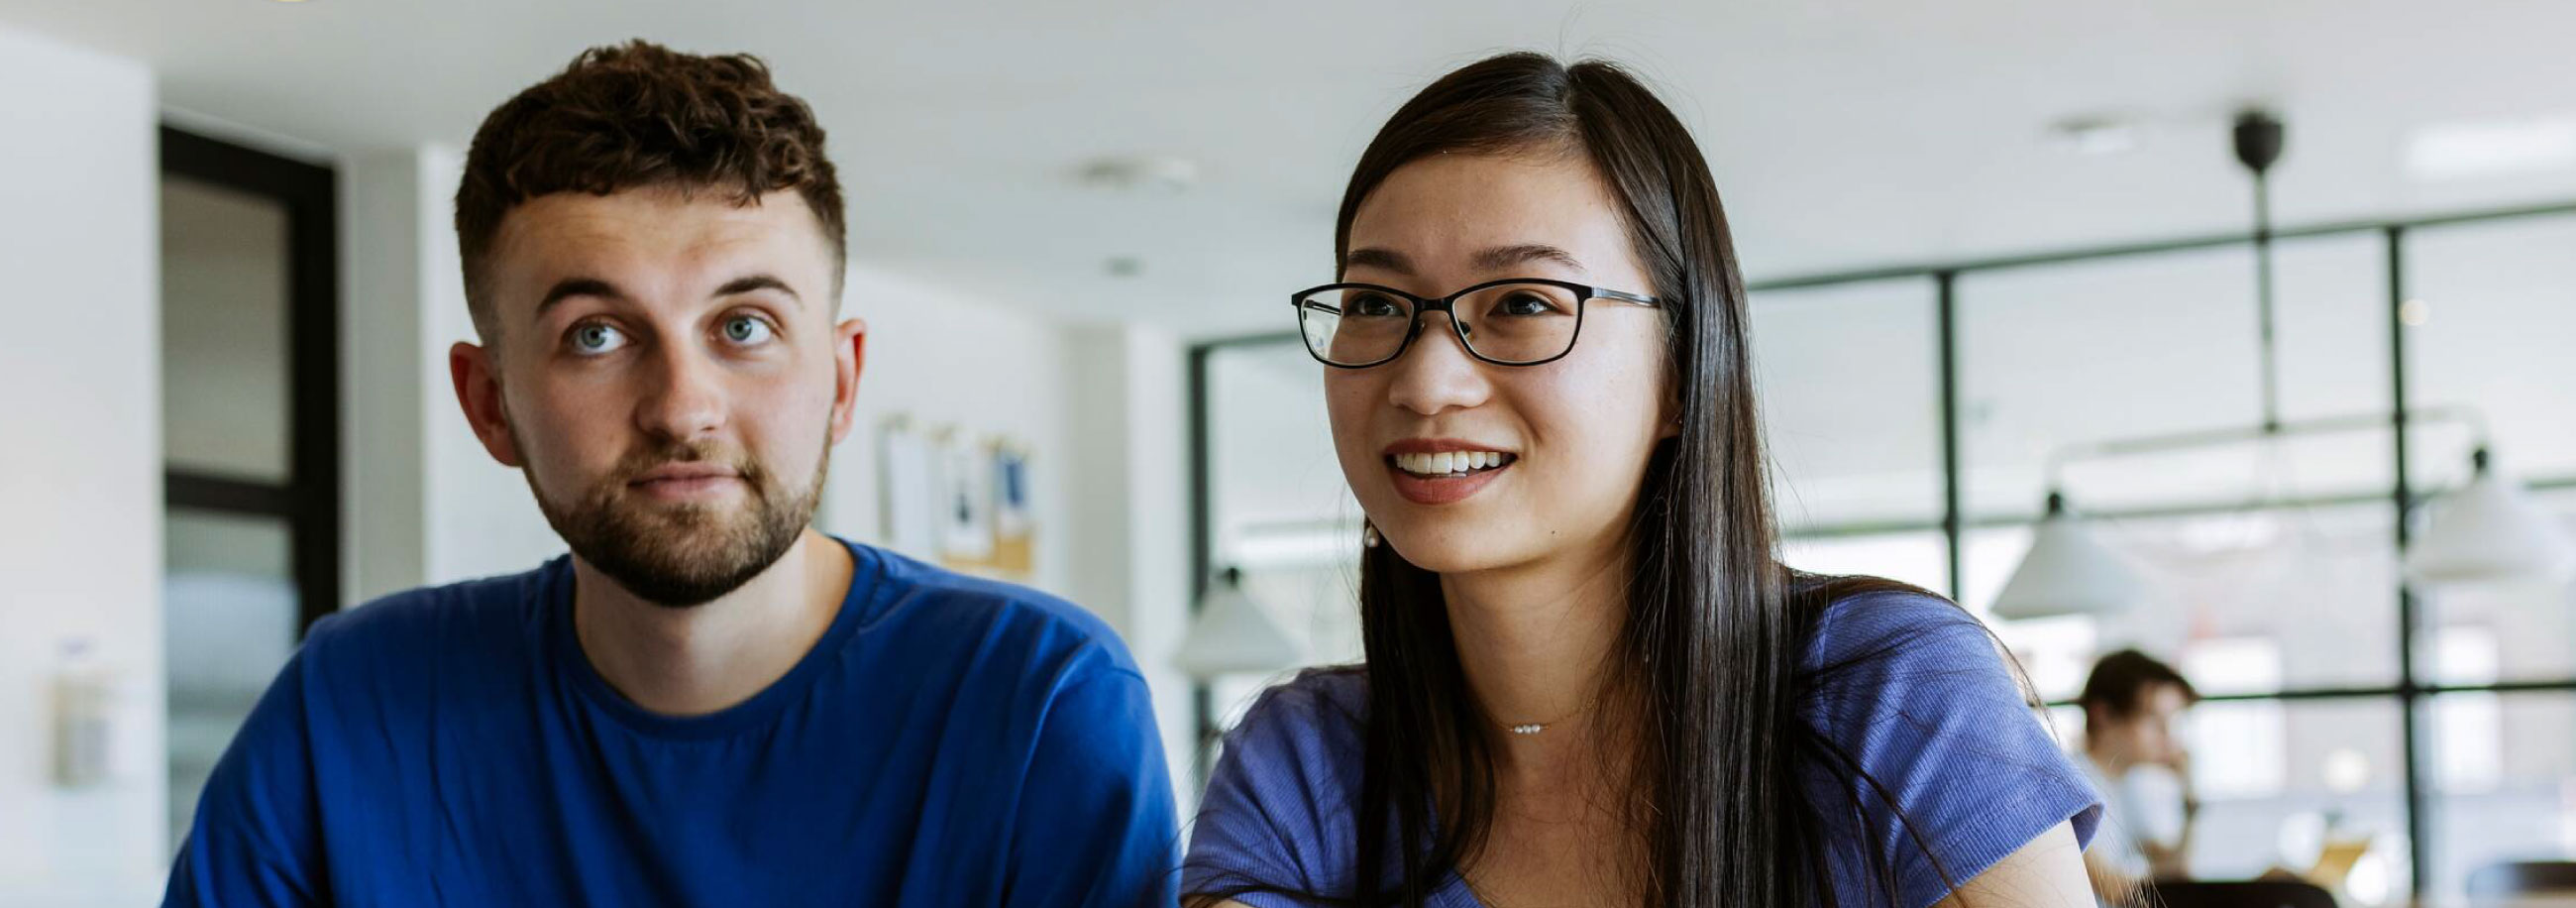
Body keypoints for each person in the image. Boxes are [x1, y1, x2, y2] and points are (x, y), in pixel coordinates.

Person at [163, 41, 1176, 907]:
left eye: (745, 326)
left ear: (840, 377)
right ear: (489, 404)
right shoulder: (349, 710)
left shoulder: (1038, 704)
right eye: (595, 334)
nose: (682, 405)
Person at [1179, 53, 2103, 908]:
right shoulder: (1305, 763)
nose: (1425, 383)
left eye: (1523, 304)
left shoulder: (1894, 697)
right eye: (1376, 304)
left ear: (1682, 372)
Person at [2077, 649, 2203, 893]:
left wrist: (2189, 797)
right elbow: (2114, 890)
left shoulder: (2124, 787)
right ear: (2103, 715)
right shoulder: (2069, 785)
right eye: (2155, 721)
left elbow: (2172, 871)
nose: (2168, 737)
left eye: (2172, 723)